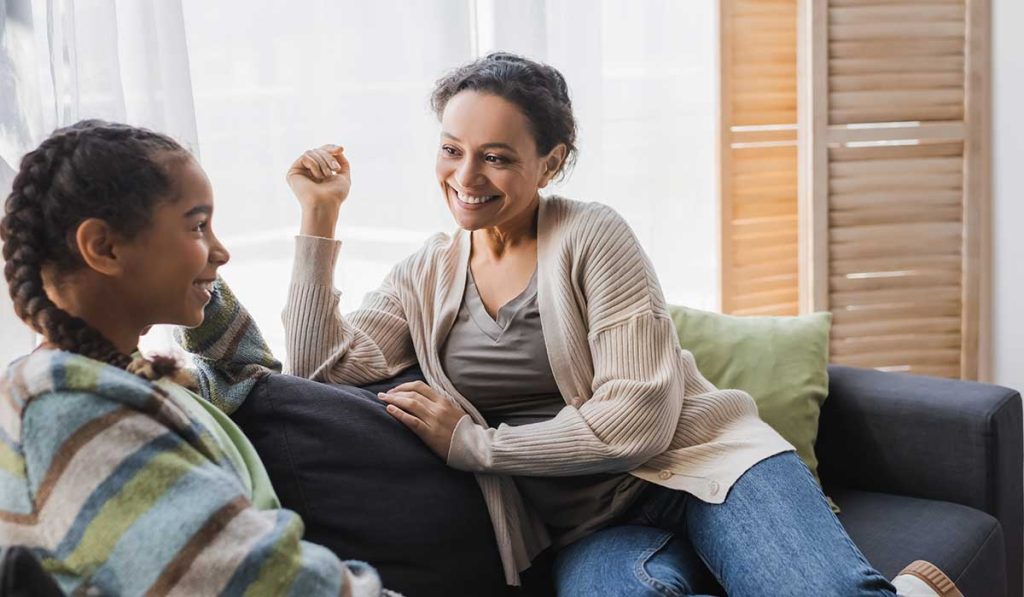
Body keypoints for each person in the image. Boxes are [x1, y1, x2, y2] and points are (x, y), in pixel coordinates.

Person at [281, 52, 963, 597]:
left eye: (497, 155)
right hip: (589, 526)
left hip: (709, 468)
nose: (466, 175)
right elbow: (318, 371)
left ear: (550, 161)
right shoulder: (425, 273)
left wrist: (477, 445)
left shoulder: (591, 234)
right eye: (452, 149)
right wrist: (319, 216)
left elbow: (638, 419)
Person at [0, 120, 396, 596]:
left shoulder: (126, 376)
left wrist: (200, 280)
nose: (223, 252)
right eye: (198, 226)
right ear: (104, 247)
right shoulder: (67, 407)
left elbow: (246, 375)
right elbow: (252, 582)